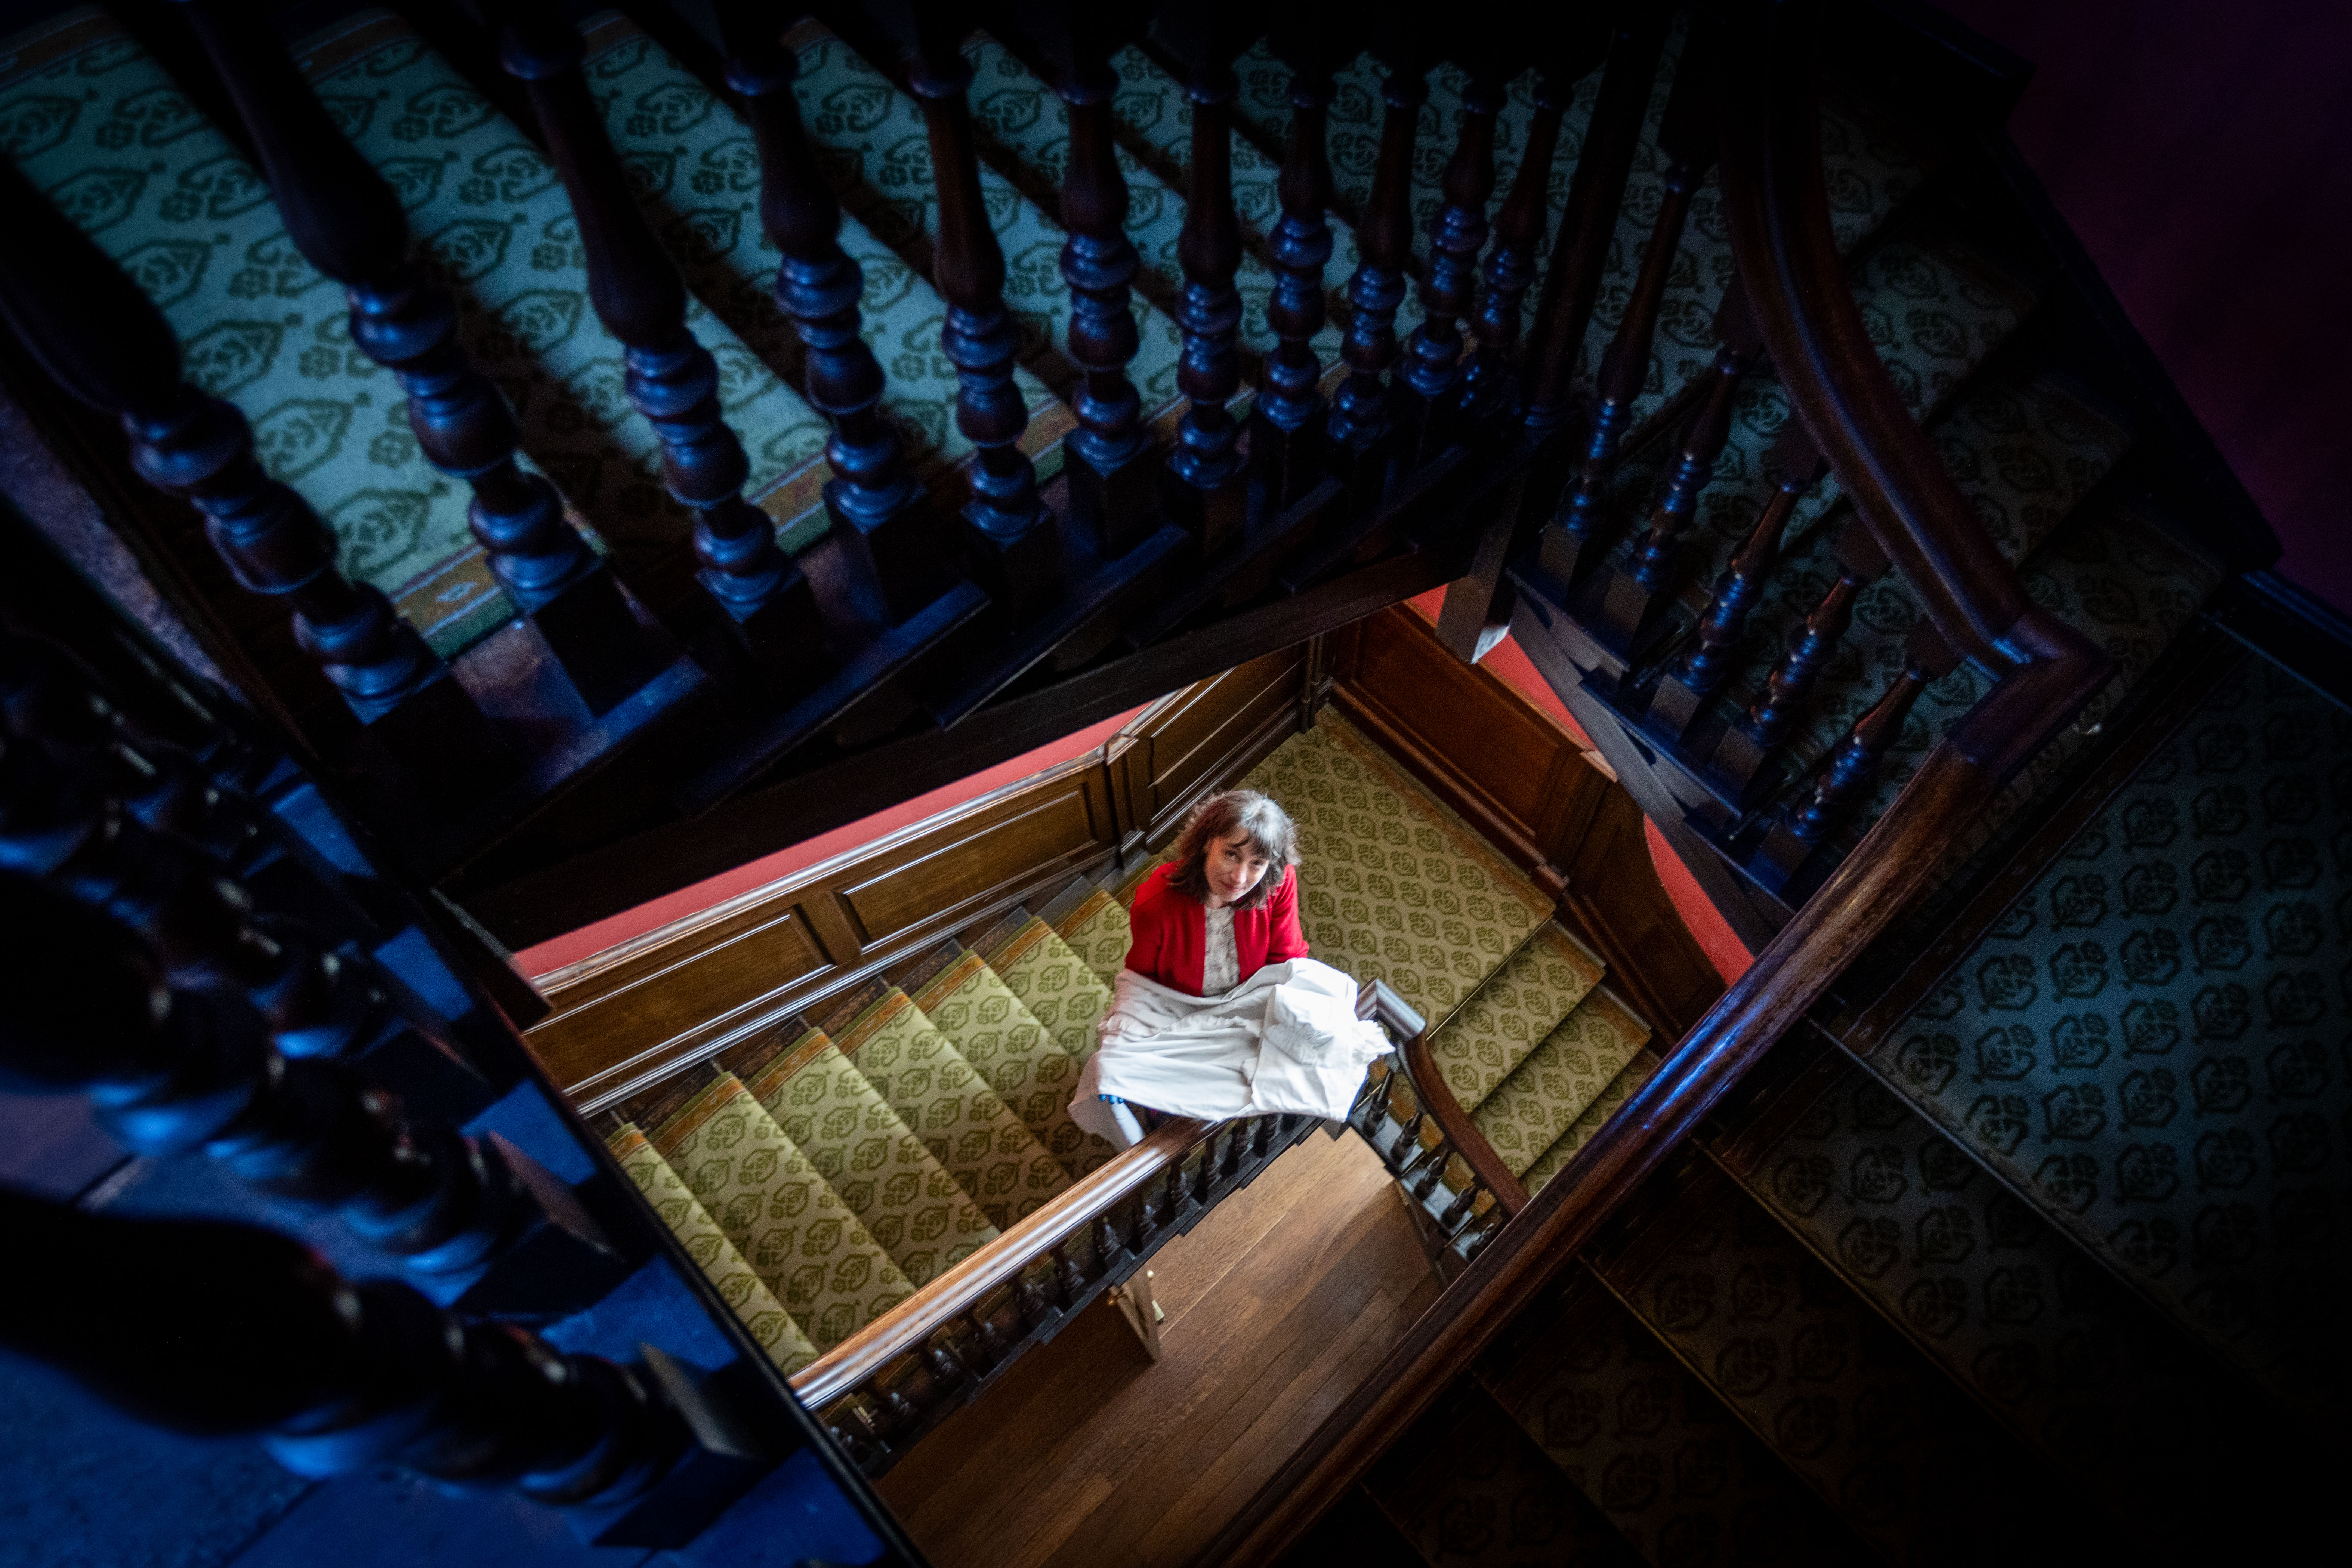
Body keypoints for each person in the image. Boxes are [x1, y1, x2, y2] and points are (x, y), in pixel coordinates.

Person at [1123, 789, 1308, 996]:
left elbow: (1286, 960)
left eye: (1257, 863)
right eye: (1231, 854)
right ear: (1207, 842)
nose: (1239, 878)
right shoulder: (1155, 903)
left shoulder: (1277, 881)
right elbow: (1142, 980)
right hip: (1182, 1006)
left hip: (1252, 997)